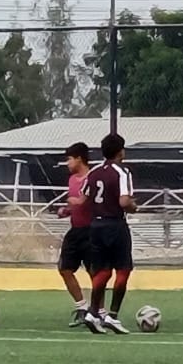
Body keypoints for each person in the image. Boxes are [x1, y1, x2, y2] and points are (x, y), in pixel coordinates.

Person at [81, 132, 137, 335]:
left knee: (102, 271)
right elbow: (124, 201)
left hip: (96, 225)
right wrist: (133, 207)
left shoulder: (94, 172)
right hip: (115, 224)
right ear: (121, 151)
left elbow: (84, 196)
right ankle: (112, 316)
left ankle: (92, 312)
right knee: (123, 270)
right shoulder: (122, 172)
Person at [56, 142, 92, 327]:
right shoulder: (72, 180)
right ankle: (82, 307)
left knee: (95, 272)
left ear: (79, 159)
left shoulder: (93, 178)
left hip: (92, 231)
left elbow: (92, 202)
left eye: (69, 159)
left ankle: (98, 312)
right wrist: (67, 210)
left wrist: (77, 202)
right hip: (75, 230)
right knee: (64, 268)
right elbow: (74, 204)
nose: (67, 163)